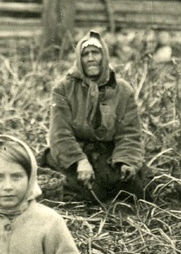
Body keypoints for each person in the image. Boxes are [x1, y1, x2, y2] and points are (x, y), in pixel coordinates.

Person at [42, 30, 149, 202]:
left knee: (133, 189)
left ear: (104, 56)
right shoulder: (63, 89)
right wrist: (79, 161)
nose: (90, 58)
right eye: (85, 54)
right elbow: (59, 133)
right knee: (88, 194)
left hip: (107, 152)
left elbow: (129, 133)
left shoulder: (123, 90)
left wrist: (126, 160)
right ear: (79, 59)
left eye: (95, 53)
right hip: (74, 152)